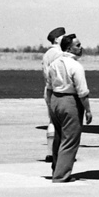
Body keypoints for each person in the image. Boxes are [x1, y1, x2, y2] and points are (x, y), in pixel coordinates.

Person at [45, 33, 91, 183]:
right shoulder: (75, 66)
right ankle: (61, 175)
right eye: (77, 45)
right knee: (70, 139)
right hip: (70, 101)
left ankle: (56, 170)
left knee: (59, 138)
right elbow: (82, 92)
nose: (81, 47)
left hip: (55, 100)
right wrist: (88, 110)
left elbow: (49, 86)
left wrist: (51, 105)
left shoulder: (54, 64)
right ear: (69, 48)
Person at [41, 26, 67, 163]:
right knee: (63, 123)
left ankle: (50, 153)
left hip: (48, 89)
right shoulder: (59, 54)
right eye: (63, 36)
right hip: (59, 90)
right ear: (57, 39)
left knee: (52, 120)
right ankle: (59, 154)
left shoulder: (47, 54)